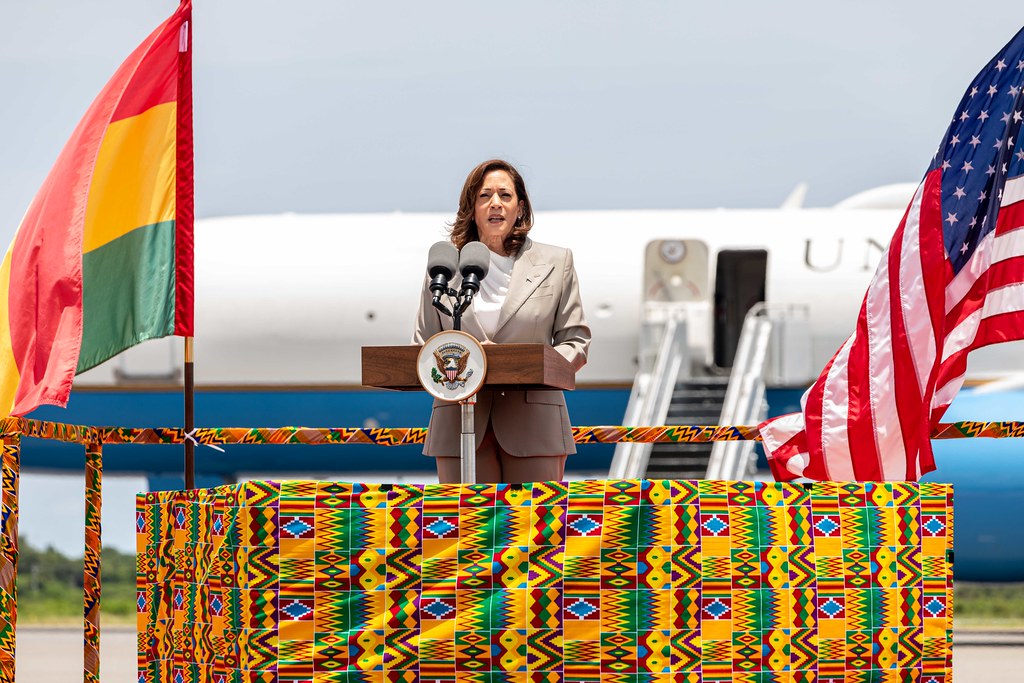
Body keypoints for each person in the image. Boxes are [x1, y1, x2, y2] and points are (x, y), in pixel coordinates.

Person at [413, 159, 591, 484]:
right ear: (471, 207)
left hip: (534, 425)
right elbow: (424, 344)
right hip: (459, 425)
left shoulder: (556, 262)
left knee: (533, 532)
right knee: (464, 533)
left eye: (505, 195)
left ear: (520, 206)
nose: (495, 203)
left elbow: (575, 343)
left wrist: (520, 364)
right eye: (485, 196)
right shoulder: (443, 268)